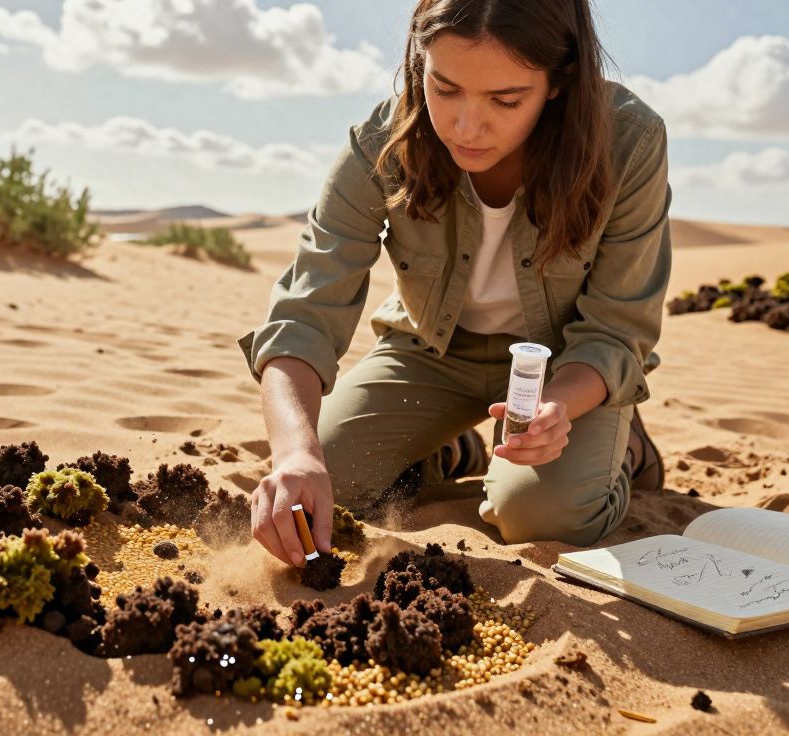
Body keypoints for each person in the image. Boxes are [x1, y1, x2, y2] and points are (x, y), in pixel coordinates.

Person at [237, 0, 669, 569]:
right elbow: (303, 314)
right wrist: (296, 454)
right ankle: (454, 447)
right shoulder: (379, 144)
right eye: (444, 88)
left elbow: (616, 330)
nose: (465, 127)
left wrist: (559, 408)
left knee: (541, 516)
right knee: (324, 483)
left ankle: (626, 447)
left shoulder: (629, 142)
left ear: (560, 81)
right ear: (420, 64)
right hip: (428, 352)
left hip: (562, 367)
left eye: (505, 100)